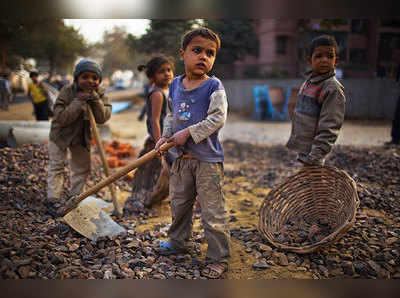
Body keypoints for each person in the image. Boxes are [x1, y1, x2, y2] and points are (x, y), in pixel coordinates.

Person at [155, 27, 230, 279]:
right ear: (182, 54)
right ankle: (178, 242)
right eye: (197, 50)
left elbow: (218, 118)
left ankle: (218, 257)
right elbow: (170, 114)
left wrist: (188, 133)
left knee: (212, 210)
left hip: (207, 160)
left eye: (210, 53)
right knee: (179, 204)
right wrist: (166, 136)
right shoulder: (175, 84)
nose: (204, 57)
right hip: (180, 160)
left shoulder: (214, 86)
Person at [46, 58, 111, 215]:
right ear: (77, 78)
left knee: (81, 168)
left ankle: (76, 199)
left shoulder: (100, 94)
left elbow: (103, 118)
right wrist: (77, 102)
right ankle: (53, 200)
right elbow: (61, 118)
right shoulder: (67, 91)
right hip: (60, 135)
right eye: (85, 77)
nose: (90, 81)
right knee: (57, 165)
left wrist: (95, 100)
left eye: (94, 78)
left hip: (81, 136)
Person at [286, 35, 346, 166]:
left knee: (316, 182)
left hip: (314, 152)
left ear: (336, 61)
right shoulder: (310, 82)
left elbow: (330, 125)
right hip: (305, 149)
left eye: (330, 56)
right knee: (308, 183)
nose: (324, 60)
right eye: (319, 56)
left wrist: (317, 154)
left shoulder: (332, 88)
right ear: (309, 60)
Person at [127, 55, 174, 210]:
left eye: (169, 70)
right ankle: (140, 198)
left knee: (168, 170)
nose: (167, 74)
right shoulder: (157, 94)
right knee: (149, 170)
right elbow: (154, 120)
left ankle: (158, 196)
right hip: (158, 140)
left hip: (170, 139)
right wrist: (158, 141)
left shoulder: (171, 91)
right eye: (162, 71)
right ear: (152, 77)